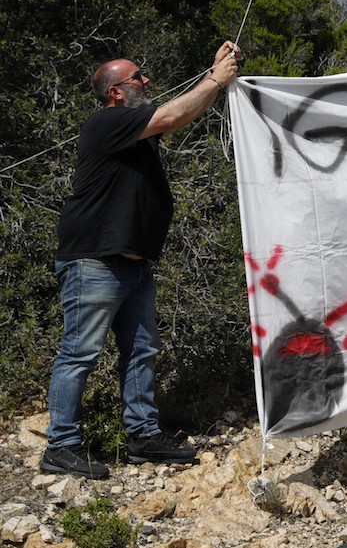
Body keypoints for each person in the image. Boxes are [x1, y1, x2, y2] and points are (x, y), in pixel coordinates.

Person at [41, 41, 242, 479]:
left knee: (141, 350)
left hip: (133, 265)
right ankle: (61, 445)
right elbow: (172, 115)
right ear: (116, 92)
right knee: (80, 353)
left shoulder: (135, 131)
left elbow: (180, 114)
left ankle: (144, 437)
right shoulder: (107, 122)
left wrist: (214, 79)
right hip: (94, 262)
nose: (147, 80)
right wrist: (215, 77)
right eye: (138, 76)